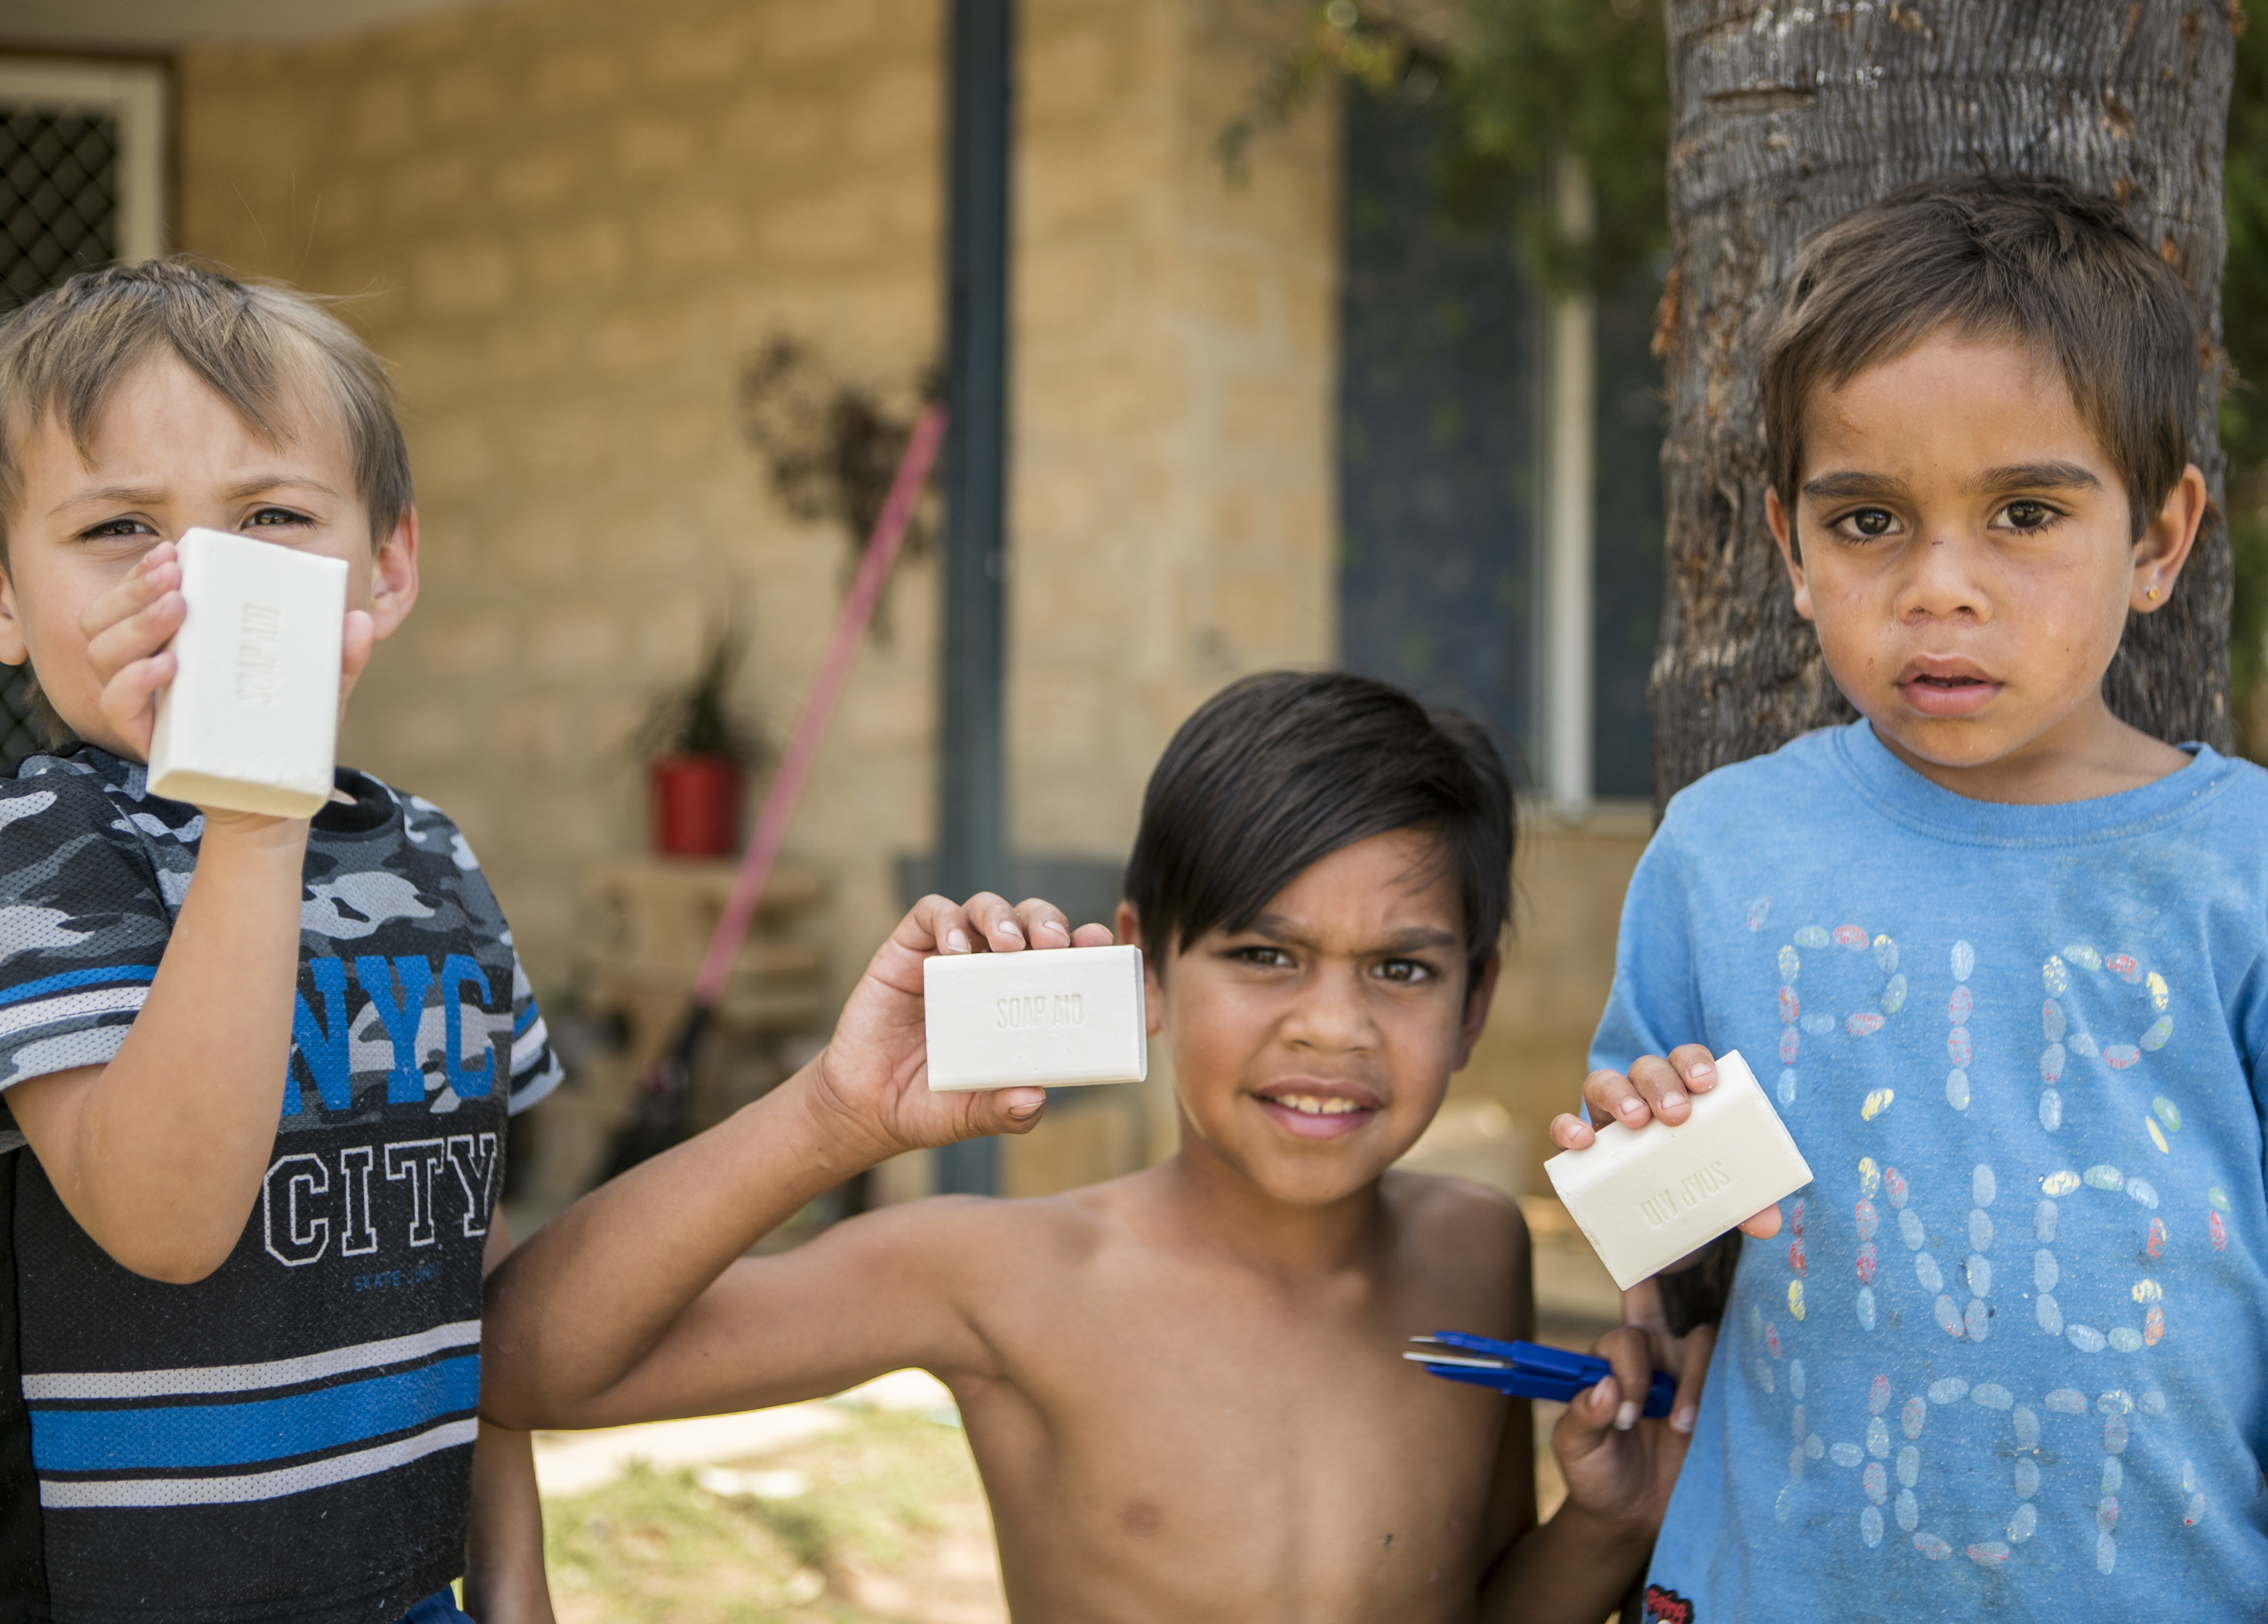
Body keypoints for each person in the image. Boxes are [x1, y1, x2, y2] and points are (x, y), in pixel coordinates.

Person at [1550, 175, 2268, 1621]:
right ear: (1786, 547)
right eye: (1867, 522)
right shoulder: (1722, 852)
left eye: (2024, 513)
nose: (1938, 588)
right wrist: (1641, 1167)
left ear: (2156, 541)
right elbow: (1658, 1240)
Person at [484, 670, 1770, 1621]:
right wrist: (835, 1114)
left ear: (1474, 1001)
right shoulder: (1009, 1278)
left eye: (1399, 968)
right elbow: (531, 1368)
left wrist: (1608, 1531)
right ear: (1146, 968)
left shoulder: (1470, 1248)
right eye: (1263, 955)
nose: (1333, 1026)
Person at [0, 261, 557, 1622]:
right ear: (5, 600)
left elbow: (461, 1277)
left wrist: (516, 1579)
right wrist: (254, 810)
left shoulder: (426, 856)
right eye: (120, 526)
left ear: (391, 564)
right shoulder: (38, 848)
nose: (200, 580)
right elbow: (166, 1223)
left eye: (271, 517)